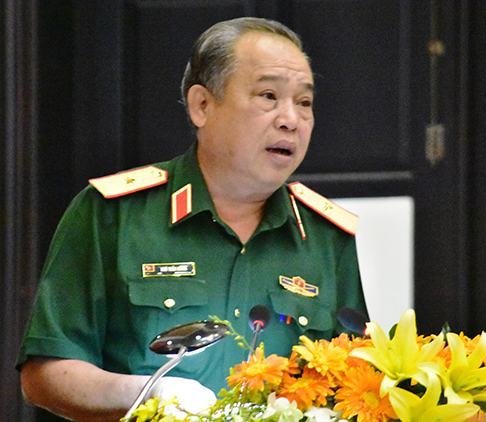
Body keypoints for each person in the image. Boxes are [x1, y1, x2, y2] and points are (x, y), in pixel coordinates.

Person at [18, 17, 367, 421]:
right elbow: (45, 373)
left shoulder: (325, 236)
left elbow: (354, 382)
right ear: (202, 105)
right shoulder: (113, 215)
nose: (291, 119)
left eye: (304, 102)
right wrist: (147, 392)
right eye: (268, 96)